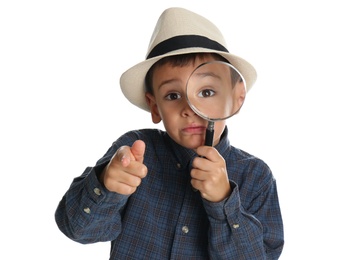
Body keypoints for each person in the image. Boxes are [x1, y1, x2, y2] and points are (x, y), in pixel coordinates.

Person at [55, 7, 284, 259]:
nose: (189, 109)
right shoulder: (134, 151)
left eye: (206, 92)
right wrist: (108, 184)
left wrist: (224, 202)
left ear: (235, 98)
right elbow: (78, 229)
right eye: (173, 96)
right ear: (155, 107)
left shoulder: (256, 176)